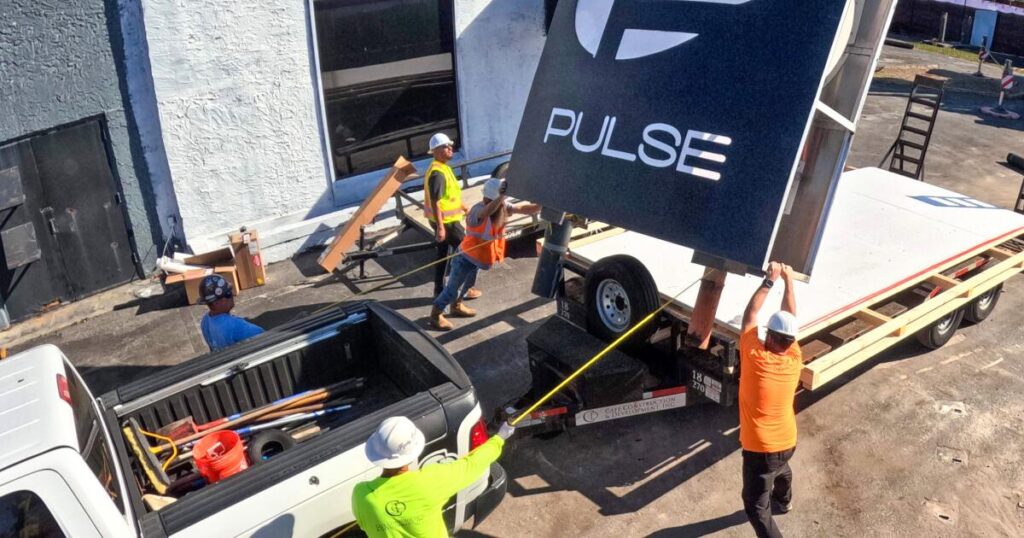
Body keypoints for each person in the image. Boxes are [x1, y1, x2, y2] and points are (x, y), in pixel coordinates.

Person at [352, 416, 515, 538]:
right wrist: (499, 438)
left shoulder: (361, 495)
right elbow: (472, 465)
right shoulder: (430, 481)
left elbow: (366, 525)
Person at [738, 261, 803, 538]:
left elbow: (750, 314)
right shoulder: (794, 358)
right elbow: (791, 315)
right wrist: (789, 280)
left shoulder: (754, 357)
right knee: (780, 468)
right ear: (790, 340)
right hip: (787, 441)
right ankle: (784, 500)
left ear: (768, 336)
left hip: (761, 448)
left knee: (754, 507)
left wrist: (770, 280)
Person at [428, 177, 540, 331]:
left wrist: (542, 204)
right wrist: (502, 197)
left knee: (467, 285)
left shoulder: (501, 207)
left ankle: (457, 306)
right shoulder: (476, 211)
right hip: (464, 258)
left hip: (479, 259)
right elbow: (487, 212)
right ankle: (435, 315)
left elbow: (524, 209)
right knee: (451, 289)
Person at [423, 133, 481, 301]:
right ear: (436, 151)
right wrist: (441, 227)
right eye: (446, 147)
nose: (450, 149)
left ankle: (439, 289)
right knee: (469, 253)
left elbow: (450, 197)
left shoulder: (442, 168)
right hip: (447, 223)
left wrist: (463, 208)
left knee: (442, 256)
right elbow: (436, 202)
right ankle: (464, 289)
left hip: (445, 221)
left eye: (450, 146)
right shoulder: (437, 173)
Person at [197, 274, 264, 352]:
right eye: (228, 294)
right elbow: (265, 337)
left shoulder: (205, 321)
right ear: (216, 303)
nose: (232, 295)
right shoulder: (235, 326)